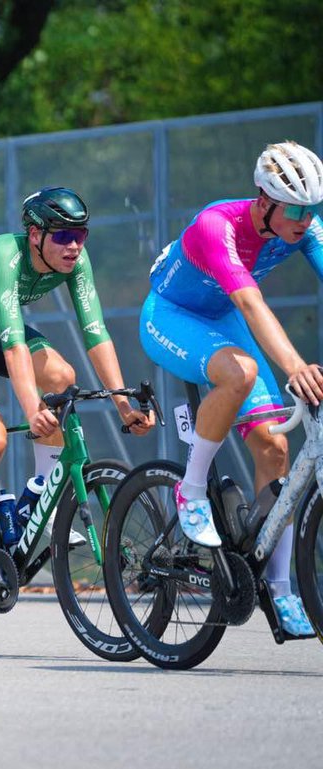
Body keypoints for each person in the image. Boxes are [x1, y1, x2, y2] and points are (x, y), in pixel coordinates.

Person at [0, 187, 154, 613]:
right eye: (62, 236)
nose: (74, 245)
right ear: (34, 234)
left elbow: (95, 332)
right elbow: (13, 346)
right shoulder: (6, 257)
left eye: (80, 234)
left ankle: (37, 497)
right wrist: (31, 409)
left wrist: (122, 403)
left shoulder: (75, 263)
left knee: (62, 376)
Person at [140, 141, 323, 636]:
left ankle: (279, 588)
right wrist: (295, 366)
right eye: (296, 209)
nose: (305, 219)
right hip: (173, 317)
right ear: (263, 200)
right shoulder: (216, 225)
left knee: (276, 445)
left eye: (313, 209)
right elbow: (249, 302)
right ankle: (192, 488)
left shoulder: (304, 229)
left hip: (221, 319)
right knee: (240, 373)